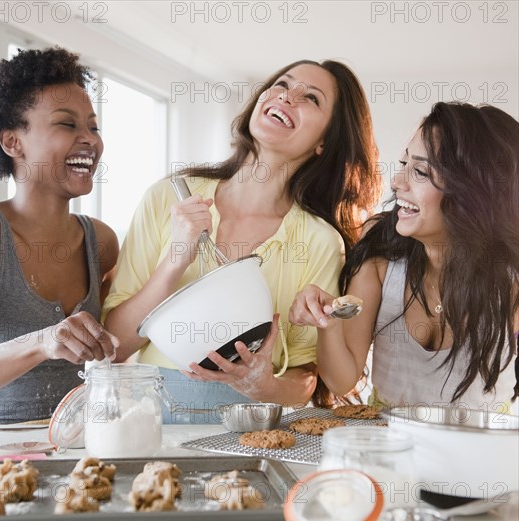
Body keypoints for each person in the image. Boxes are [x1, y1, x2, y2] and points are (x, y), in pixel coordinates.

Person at [104, 60, 382, 421]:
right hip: (153, 423)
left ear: (324, 143)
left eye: (311, 97)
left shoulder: (319, 241)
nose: (288, 95)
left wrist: (260, 384)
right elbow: (114, 345)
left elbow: (305, 379)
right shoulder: (168, 198)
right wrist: (175, 260)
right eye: (283, 83)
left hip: (252, 433)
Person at [290, 102, 518, 411]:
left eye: (421, 171)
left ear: (472, 194)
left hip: (480, 449)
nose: (397, 182)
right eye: (404, 164)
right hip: (391, 443)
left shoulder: (510, 278)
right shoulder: (381, 251)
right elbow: (341, 380)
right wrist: (327, 324)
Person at [0, 47, 120, 424]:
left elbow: (116, 349)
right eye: (67, 125)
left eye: (93, 127)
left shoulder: (101, 242)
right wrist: (42, 341)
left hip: (82, 455)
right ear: (12, 142)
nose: (90, 140)